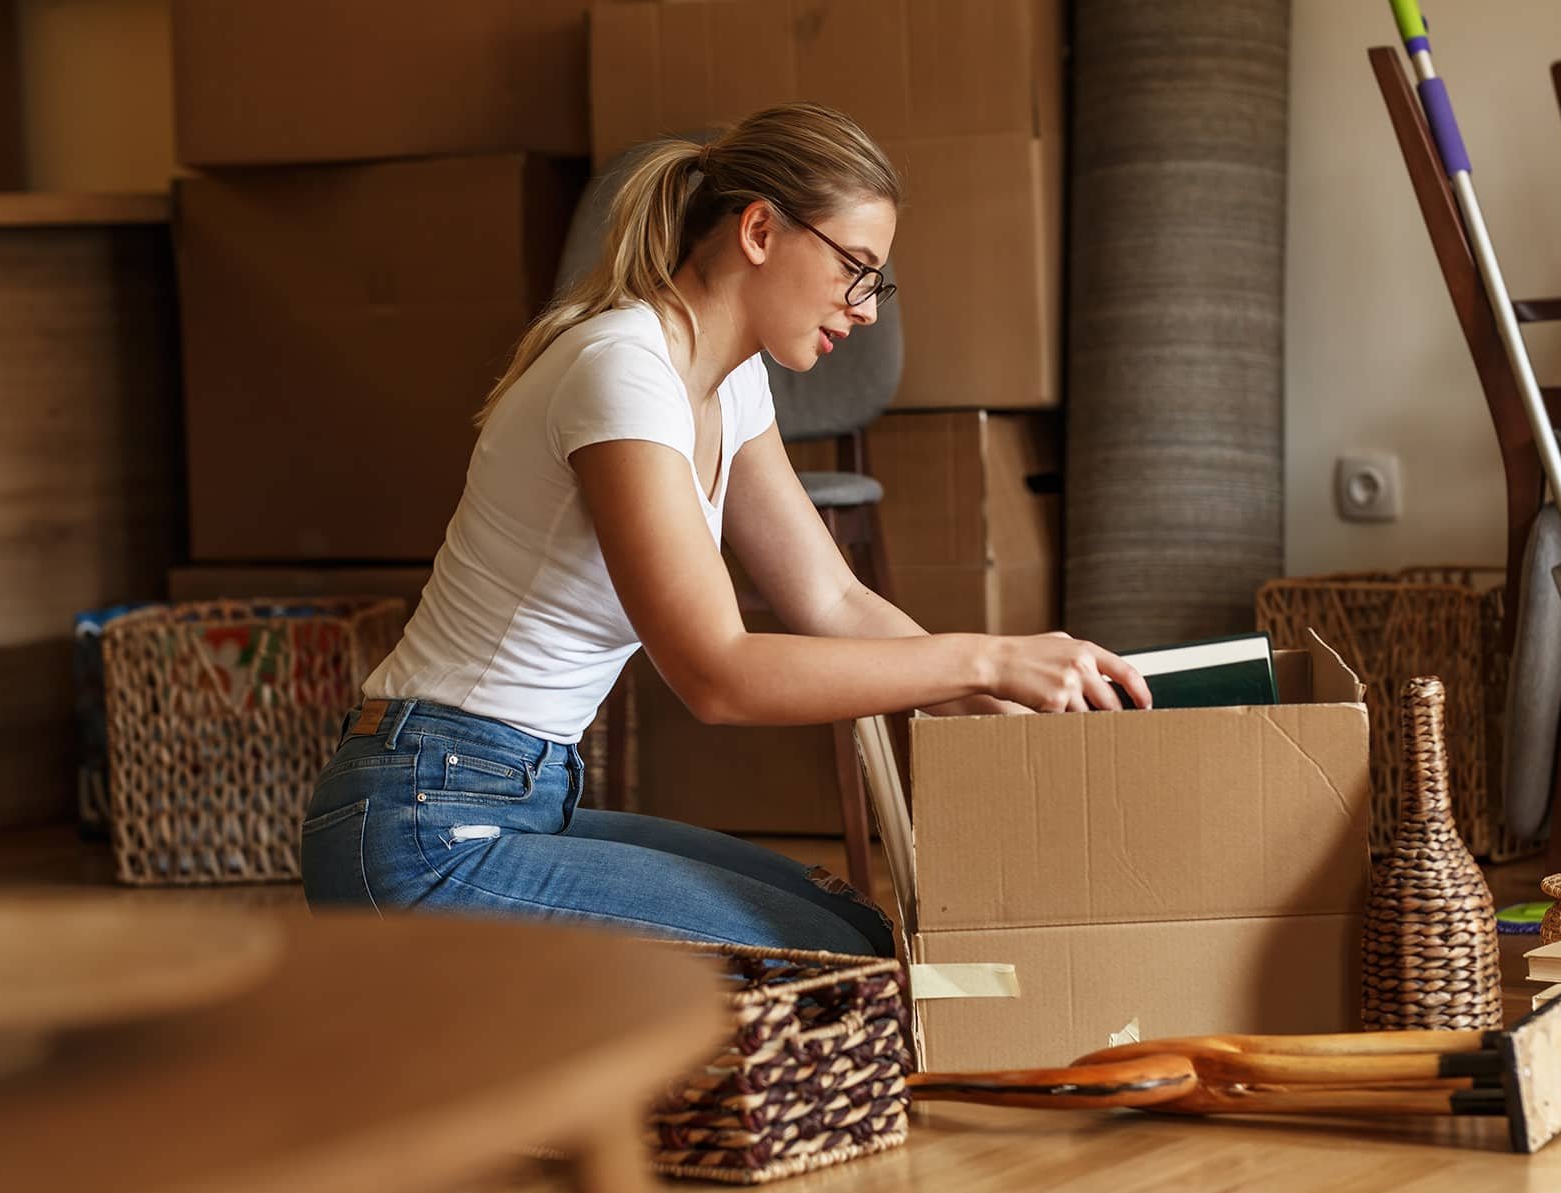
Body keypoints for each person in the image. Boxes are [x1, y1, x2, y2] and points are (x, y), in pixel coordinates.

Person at [299, 103, 1151, 957]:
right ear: (759, 231)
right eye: (857, 268)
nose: (865, 309)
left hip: (515, 793)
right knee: (838, 969)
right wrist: (989, 657)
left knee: (855, 927)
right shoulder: (624, 369)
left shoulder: (731, 385)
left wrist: (1007, 700)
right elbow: (717, 673)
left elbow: (832, 598)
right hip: (427, 824)